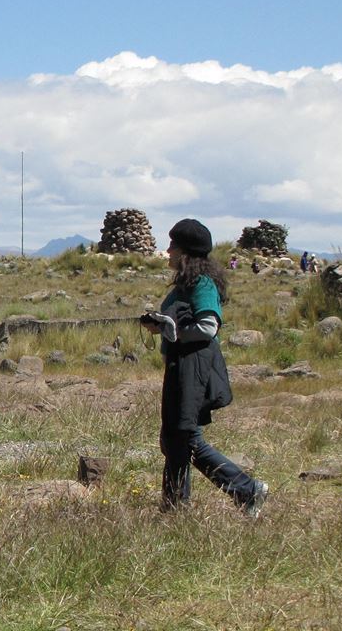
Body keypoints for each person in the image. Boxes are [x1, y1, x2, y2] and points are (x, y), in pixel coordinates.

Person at [140, 219, 269, 518]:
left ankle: (247, 490)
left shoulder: (202, 284)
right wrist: (160, 326)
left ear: (185, 251)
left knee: (186, 437)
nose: (168, 250)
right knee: (174, 437)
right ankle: (174, 508)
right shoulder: (187, 282)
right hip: (180, 363)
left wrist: (172, 331)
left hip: (193, 364)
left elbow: (208, 325)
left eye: (173, 245)